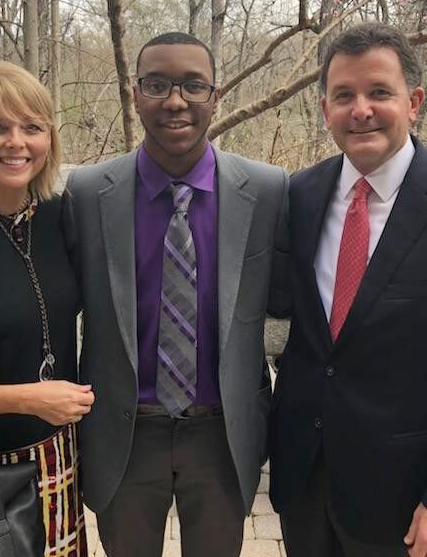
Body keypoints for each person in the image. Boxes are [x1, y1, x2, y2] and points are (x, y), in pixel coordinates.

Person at [63, 31, 289, 557]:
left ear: (215, 96)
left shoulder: (268, 190)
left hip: (221, 433)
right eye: (157, 84)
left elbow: (289, 302)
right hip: (124, 432)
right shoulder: (88, 192)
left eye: (192, 85)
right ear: (134, 92)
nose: (174, 100)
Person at [269, 22, 427, 557]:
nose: (360, 109)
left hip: (401, 496)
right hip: (305, 480)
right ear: (324, 110)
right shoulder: (301, 195)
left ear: (414, 103)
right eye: (344, 96)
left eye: (379, 92)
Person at [0, 61, 95, 556]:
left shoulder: (56, 214)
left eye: (32, 127)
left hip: (55, 460)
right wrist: (24, 399)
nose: (16, 142)